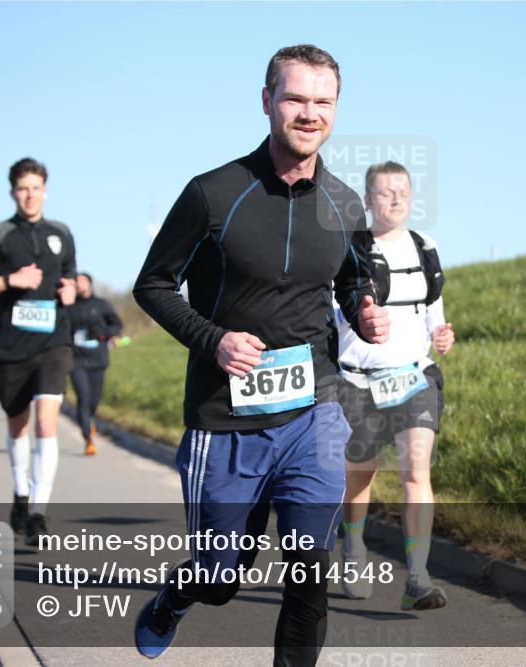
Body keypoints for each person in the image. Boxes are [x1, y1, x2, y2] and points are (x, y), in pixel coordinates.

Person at [131, 44, 389, 664]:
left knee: (307, 578)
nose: (309, 113)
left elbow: (353, 277)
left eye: (323, 102)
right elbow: (153, 285)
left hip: (313, 412)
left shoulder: (345, 205)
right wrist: (212, 340)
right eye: (296, 98)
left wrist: (364, 307)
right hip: (227, 420)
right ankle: (175, 598)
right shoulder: (213, 194)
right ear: (267, 100)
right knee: (222, 579)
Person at [335, 161, 455, 611]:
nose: (397, 199)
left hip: (413, 377)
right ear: (368, 200)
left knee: (415, 471)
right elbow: (336, 314)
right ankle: (353, 550)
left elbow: (434, 318)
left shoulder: (426, 246)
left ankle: (418, 579)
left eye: (403, 190)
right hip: (358, 382)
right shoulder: (348, 251)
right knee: (359, 479)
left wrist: (442, 336)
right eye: (386, 192)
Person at [0, 157, 77, 546]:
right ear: (13, 192)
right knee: (18, 426)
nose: (30, 195)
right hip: (10, 348)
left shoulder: (62, 233)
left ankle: (38, 513)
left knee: (46, 423)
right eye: (23, 188)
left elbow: (72, 275)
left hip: (53, 343)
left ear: (46, 190)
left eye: (36, 187)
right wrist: (12, 279)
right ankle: (20, 492)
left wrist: (74, 289)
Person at [65, 272, 123, 456]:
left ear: (89, 284)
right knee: (83, 397)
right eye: (76, 282)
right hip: (76, 359)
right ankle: (87, 438)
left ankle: (89, 422)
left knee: (93, 401)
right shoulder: (68, 306)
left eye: (81, 281)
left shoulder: (101, 305)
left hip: (98, 359)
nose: (78, 284)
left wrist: (105, 333)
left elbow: (117, 325)